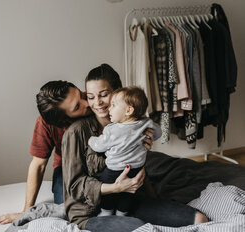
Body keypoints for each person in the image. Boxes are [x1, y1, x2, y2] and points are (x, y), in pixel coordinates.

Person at [0, 65, 155, 224]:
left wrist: (143, 139)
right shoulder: (55, 126)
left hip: (113, 160)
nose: (88, 103)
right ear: (65, 119)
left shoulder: (98, 103)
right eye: (78, 106)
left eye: (81, 95)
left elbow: (129, 120)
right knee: (68, 203)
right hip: (69, 166)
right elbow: (38, 165)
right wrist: (26, 210)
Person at [62, 65, 208, 231]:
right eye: (91, 97)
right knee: (141, 229)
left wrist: (144, 149)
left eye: (104, 95)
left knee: (199, 219)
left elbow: (138, 161)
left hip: (129, 200)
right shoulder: (77, 132)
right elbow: (73, 187)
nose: (98, 103)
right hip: (91, 210)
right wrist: (116, 187)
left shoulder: (135, 123)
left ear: (118, 92)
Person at [88, 86, 162, 217]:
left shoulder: (113, 130)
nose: (109, 109)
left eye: (113, 105)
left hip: (114, 169)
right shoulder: (146, 123)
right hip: (136, 168)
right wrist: (150, 136)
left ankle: (106, 211)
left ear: (128, 110)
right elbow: (158, 133)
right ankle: (122, 213)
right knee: (129, 193)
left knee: (108, 191)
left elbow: (100, 146)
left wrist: (92, 140)